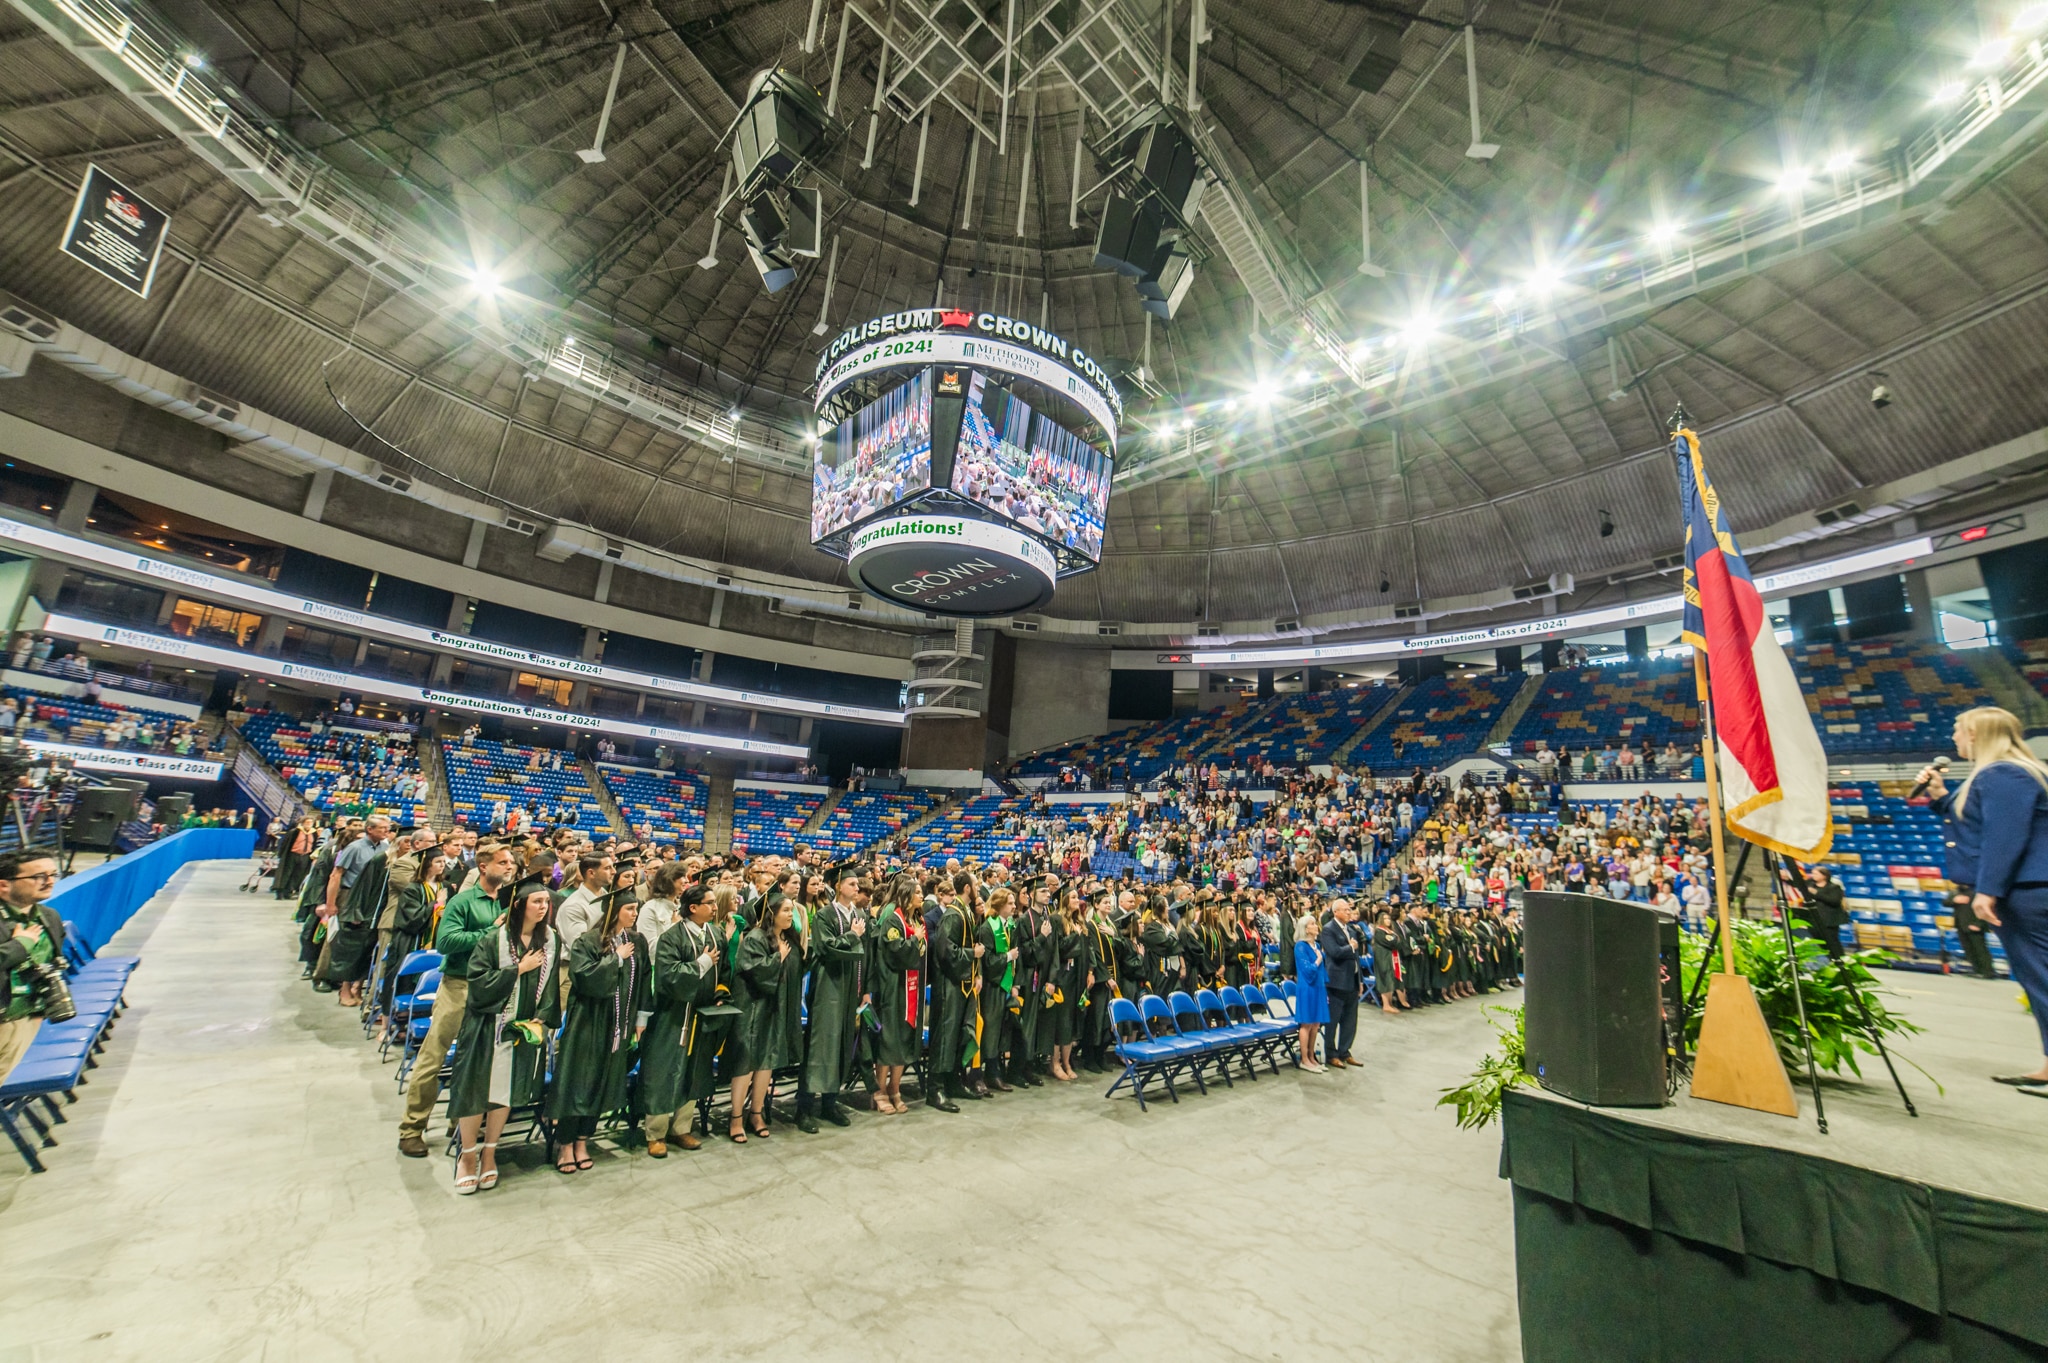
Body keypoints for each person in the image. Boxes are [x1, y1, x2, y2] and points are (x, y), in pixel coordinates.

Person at [1922, 707, 2048, 1095]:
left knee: (2041, 977)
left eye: (1958, 730)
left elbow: (2004, 836)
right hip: (2027, 887)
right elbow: (1979, 822)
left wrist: (1988, 889)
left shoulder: (2002, 773)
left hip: (2026, 889)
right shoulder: (2007, 772)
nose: (1955, 738)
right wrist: (1942, 798)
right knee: (2037, 977)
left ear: (1976, 733)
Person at [446, 875, 560, 1194]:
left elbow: (549, 989)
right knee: (476, 1090)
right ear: (520, 905)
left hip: (522, 1029)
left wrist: (541, 1020)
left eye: (545, 902)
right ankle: (467, 1157)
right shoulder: (492, 940)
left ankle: (490, 1152)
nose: (543, 906)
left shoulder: (550, 941)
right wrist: (518, 970)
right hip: (486, 1026)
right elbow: (478, 984)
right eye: (536, 901)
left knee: (505, 1092)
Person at [398, 842, 512, 1159]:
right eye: (503, 861)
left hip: (488, 987)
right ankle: (412, 1128)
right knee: (433, 1057)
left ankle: (458, 1121)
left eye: (511, 862)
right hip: (458, 986)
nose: (509, 867)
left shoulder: (505, 903)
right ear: (484, 867)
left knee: (474, 1060)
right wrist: (490, 931)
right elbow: (446, 941)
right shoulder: (463, 901)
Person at [549, 890, 649, 1172]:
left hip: (619, 1025)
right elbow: (582, 977)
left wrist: (640, 1018)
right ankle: (565, 1144)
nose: (634, 913)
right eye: (629, 909)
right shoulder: (588, 941)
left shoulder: (637, 941)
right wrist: (615, 959)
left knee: (603, 1082)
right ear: (614, 910)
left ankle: (583, 1140)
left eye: (635, 909)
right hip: (588, 1022)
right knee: (578, 1082)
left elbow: (643, 977)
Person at [639, 884, 717, 1157]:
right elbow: (669, 976)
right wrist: (703, 962)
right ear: (692, 907)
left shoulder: (714, 933)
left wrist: (719, 993)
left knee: (691, 1071)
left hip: (701, 1014)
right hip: (673, 1015)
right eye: (709, 903)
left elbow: (725, 972)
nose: (715, 907)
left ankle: (681, 1128)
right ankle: (656, 1133)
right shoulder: (671, 938)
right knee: (664, 1071)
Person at [798, 868, 868, 1132]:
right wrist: (853, 936)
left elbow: (866, 953)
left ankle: (830, 1102)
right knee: (820, 1043)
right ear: (838, 886)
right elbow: (826, 948)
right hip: (828, 985)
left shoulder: (859, 914)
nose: (856, 888)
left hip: (851, 987)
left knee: (841, 1044)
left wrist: (865, 988)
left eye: (857, 884)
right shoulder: (826, 914)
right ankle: (804, 1107)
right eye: (851, 883)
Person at [732, 893, 803, 1141]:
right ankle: (736, 1117)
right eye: (785, 910)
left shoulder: (788, 938)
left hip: (776, 1008)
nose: (790, 915)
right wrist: (778, 957)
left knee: (766, 1064)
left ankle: (757, 1113)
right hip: (754, 1008)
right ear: (771, 913)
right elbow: (753, 971)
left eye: (791, 910)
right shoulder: (755, 938)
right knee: (747, 1064)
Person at [0, 850, 64, 1085]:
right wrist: (20, 945)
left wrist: (39, 1011)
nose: (48, 881)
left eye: (52, 874)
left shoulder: (49, 917)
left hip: (24, 1020)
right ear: (4, 885)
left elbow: (52, 963)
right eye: (38, 876)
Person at [868, 873, 925, 1114]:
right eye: (918, 892)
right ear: (907, 896)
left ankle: (895, 1088)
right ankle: (878, 1091)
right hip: (893, 987)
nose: (922, 896)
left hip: (911, 986)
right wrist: (916, 940)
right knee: (889, 1041)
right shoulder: (893, 919)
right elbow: (894, 951)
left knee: (903, 1039)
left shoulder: (915, 918)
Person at [1318, 898, 1361, 1067]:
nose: (1349, 912)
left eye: (1349, 910)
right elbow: (1334, 952)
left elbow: (1356, 957)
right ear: (1336, 912)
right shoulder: (1329, 930)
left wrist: (1360, 980)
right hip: (1336, 982)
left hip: (1352, 980)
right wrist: (1350, 947)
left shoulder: (1351, 929)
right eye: (1345, 910)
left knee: (1350, 1020)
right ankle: (1331, 1053)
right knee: (1333, 1020)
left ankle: (1345, 1051)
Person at [1292, 912, 1329, 1072]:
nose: (1316, 926)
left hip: (1318, 987)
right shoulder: (1300, 946)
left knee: (1316, 1024)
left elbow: (1321, 971)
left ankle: (1312, 1056)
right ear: (1306, 929)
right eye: (1312, 924)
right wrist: (1318, 960)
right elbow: (1307, 970)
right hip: (1307, 987)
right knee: (1306, 1023)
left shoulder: (1316, 946)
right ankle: (1304, 1059)